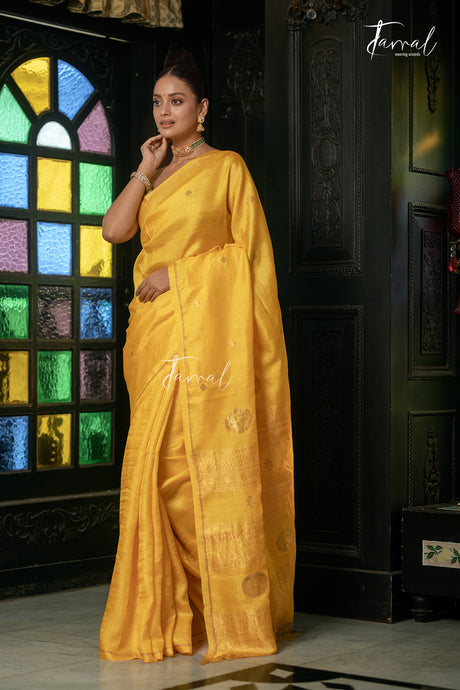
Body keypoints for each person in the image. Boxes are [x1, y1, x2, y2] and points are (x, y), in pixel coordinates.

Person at [99, 50, 296, 665]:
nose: (165, 111)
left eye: (177, 101)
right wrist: (143, 169)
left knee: (188, 470)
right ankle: (179, 606)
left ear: (202, 108)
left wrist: (178, 276)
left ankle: (225, 604)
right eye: (158, 101)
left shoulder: (227, 169)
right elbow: (114, 231)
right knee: (155, 469)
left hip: (206, 340)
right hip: (154, 337)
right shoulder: (154, 174)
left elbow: (248, 258)